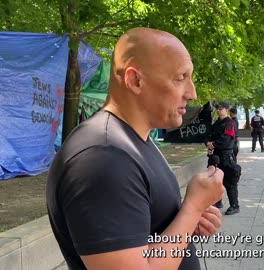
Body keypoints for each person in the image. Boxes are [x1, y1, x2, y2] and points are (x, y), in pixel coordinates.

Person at [46, 28, 225, 270]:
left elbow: (141, 241)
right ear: (135, 80)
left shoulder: (134, 141)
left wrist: (184, 224)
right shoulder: (103, 157)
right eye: (180, 78)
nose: (192, 93)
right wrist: (192, 208)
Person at [207, 102, 241, 215]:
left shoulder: (229, 123)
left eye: (221, 109)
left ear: (226, 109)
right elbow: (208, 135)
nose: (219, 110)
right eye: (218, 109)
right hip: (215, 156)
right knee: (216, 181)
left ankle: (234, 205)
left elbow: (226, 140)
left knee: (230, 181)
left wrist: (214, 144)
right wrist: (207, 143)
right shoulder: (216, 123)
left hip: (226, 156)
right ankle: (218, 201)